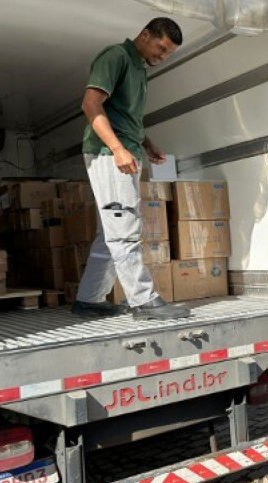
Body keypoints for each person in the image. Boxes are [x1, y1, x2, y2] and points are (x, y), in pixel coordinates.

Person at [73, 18, 190, 321]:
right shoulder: (116, 57)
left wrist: (147, 144)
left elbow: (126, 116)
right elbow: (91, 104)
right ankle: (143, 301)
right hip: (108, 153)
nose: (162, 57)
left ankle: (88, 299)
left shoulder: (138, 69)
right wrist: (117, 149)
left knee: (109, 232)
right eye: (160, 48)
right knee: (124, 227)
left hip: (126, 151)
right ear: (145, 34)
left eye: (168, 54)